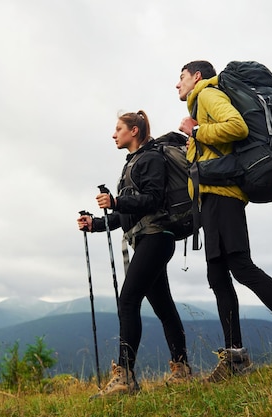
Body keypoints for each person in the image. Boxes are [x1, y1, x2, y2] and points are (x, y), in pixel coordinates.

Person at [175, 60, 272, 381]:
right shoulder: (201, 102)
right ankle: (235, 359)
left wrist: (198, 131)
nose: (177, 85)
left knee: (242, 268)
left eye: (181, 77)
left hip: (223, 198)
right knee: (219, 278)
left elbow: (237, 127)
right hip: (213, 198)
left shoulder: (208, 95)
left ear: (197, 76)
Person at [77, 110, 192, 398]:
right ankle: (182, 370)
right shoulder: (134, 163)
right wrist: (97, 224)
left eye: (119, 128)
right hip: (148, 238)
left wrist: (116, 200)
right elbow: (127, 214)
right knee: (164, 308)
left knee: (128, 301)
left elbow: (153, 200)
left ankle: (125, 377)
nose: (114, 134)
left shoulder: (151, 158)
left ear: (135, 131)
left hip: (156, 237)